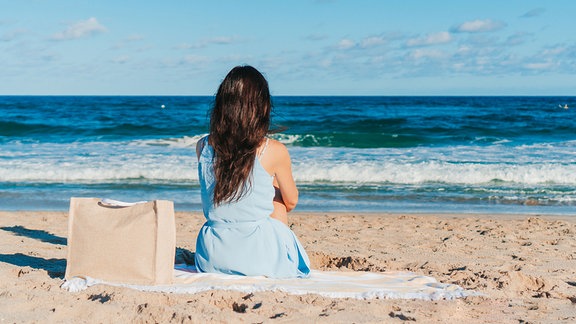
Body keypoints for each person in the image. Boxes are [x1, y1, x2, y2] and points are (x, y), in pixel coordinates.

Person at [194, 65, 311, 278]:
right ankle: (277, 262)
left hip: (211, 256)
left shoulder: (203, 146)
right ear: (262, 106)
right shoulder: (274, 150)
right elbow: (291, 202)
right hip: (259, 257)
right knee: (276, 198)